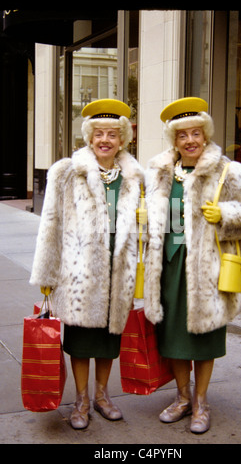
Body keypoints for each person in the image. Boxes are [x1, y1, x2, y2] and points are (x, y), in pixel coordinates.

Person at [144, 97, 241, 434]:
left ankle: (201, 401)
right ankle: (182, 398)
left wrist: (225, 214)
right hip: (169, 263)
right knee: (173, 336)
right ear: (174, 140)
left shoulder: (228, 170)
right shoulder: (159, 171)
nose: (190, 140)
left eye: (196, 133)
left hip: (208, 266)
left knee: (205, 335)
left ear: (205, 134)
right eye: (182, 136)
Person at [30, 99, 144, 429]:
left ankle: (102, 395)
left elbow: (146, 227)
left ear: (123, 139)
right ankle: (81, 399)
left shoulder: (135, 178)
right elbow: (49, 224)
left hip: (117, 272)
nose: (105, 139)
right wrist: (46, 273)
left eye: (112, 134)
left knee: (110, 340)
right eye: (99, 134)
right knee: (79, 341)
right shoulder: (66, 172)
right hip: (78, 274)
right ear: (89, 138)